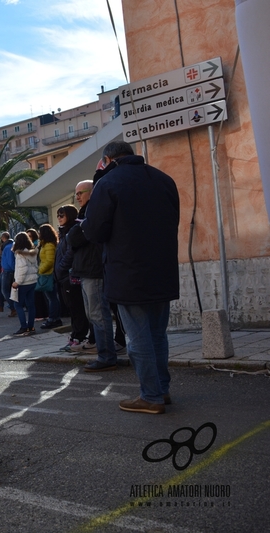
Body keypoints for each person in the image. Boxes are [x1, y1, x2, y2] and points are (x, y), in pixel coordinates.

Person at [82, 141, 180, 414]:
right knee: (158, 335)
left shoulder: (108, 183)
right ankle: (161, 389)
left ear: (107, 159)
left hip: (128, 271)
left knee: (138, 338)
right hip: (163, 269)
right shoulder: (164, 179)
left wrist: (99, 182)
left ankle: (150, 396)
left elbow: (95, 231)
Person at [67, 181, 117, 372]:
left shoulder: (94, 211)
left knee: (98, 314)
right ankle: (104, 354)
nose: (78, 197)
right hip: (86, 270)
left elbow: (76, 237)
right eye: (76, 193)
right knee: (93, 314)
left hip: (94, 269)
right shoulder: (84, 213)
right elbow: (73, 238)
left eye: (81, 193)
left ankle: (106, 356)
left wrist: (75, 232)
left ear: (92, 192)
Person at [54, 205, 90, 351]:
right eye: (58, 215)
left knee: (78, 309)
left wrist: (61, 267)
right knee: (72, 309)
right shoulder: (63, 233)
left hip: (71, 276)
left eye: (61, 215)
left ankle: (79, 337)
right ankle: (75, 336)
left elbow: (70, 253)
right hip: (63, 277)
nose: (59, 218)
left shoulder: (73, 231)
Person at [10, 232, 39, 335]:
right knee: (31, 305)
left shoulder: (20, 253)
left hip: (23, 282)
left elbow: (23, 269)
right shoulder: (32, 252)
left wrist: (17, 282)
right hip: (32, 281)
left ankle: (24, 327)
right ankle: (31, 327)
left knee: (17, 304)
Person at [38, 224, 62, 329]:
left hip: (48, 274)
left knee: (52, 298)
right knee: (51, 298)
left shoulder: (48, 245)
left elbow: (49, 261)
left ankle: (53, 319)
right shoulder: (45, 244)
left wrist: (40, 270)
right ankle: (54, 318)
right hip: (47, 273)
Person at [0, 232, 17, 316]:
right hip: (5, 270)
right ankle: (0, 305)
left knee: (5, 290)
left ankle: (13, 308)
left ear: (2, 238)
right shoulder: (9, 246)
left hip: (7, 271)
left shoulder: (8, 247)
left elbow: (10, 260)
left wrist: (13, 270)